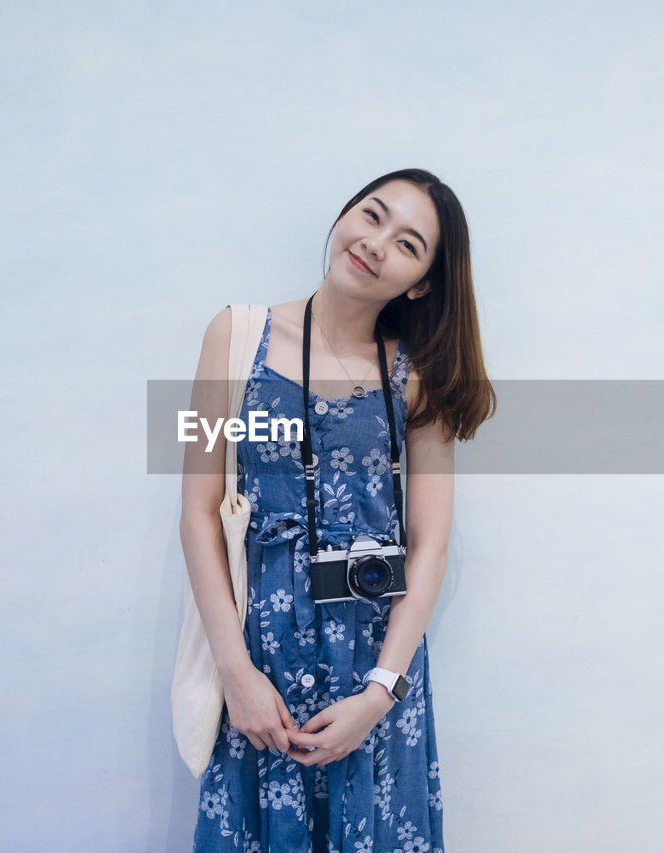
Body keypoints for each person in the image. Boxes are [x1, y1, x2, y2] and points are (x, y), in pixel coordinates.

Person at [180, 168, 494, 852]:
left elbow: (429, 544)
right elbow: (199, 512)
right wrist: (236, 672)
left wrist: (380, 695)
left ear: (420, 283)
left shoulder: (419, 377)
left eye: (408, 244)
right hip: (260, 660)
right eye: (372, 215)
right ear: (344, 214)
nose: (377, 242)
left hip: (372, 665)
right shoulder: (235, 336)